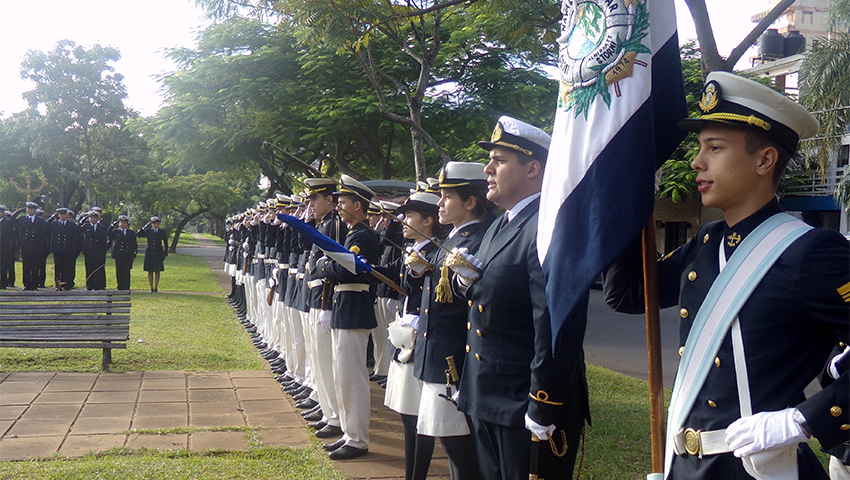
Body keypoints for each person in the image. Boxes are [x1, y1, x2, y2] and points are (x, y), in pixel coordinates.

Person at [603, 72, 849, 479]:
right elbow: (628, 294)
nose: (697, 162)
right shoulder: (707, 242)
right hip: (685, 465)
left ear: (765, 160)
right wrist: (631, 204)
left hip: (760, 468)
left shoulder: (811, 253)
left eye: (715, 148)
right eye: (700, 148)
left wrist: (802, 420)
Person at [448, 116, 591, 480]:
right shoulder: (500, 223)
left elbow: (557, 324)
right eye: (491, 159)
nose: (488, 168)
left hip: (522, 402)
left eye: (500, 160)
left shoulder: (550, 226)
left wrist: (544, 403)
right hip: (488, 395)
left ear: (533, 168)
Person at [414, 161, 493, 480]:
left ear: (470, 202)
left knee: (461, 448)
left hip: (454, 362)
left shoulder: (477, 242)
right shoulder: (450, 240)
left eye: (447, 197)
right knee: (452, 443)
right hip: (438, 357)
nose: (440, 203)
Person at [316, 174, 380, 460]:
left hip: (354, 308)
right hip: (346, 307)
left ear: (357, 205)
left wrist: (324, 266)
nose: (338, 207)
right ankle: (349, 432)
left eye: (342, 202)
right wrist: (329, 265)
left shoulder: (362, 235)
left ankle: (357, 438)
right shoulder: (353, 233)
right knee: (343, 375)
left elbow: (345, 269)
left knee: (352, 378)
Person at [381, 191, 442, 480]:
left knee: (418, 418)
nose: (404, 221)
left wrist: (419, 271)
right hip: (405, 336)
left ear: (428, 221)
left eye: (411, 216)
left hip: (420, 339)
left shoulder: (435, 253)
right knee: (408, 416)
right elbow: (390, 272)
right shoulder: (414, 251)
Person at [15, 202, 47, 290]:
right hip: (25, 247)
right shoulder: (22, 219)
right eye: (28, 209)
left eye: (32, 209)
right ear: (26, 209)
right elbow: (11, 221)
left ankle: (34, 285)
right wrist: (18, 211)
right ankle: (26, 284)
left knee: (35, 267)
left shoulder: (40, 221)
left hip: (36, 247)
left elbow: (43, 235)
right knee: (26, 267)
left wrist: (42, 247)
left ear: (35, 210)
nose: (30, 210)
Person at [79, 209, 111, 290]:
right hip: (88, 251)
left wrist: (103, 250)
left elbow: (104, 240)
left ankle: (97, 285)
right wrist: (82, 218)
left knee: (97, 269)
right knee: (89, 268)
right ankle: (89, 285)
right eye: (91, 217)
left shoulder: (102, 228)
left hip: (98, 251)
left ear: (97, 219)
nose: (93, 219)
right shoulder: (86, 226)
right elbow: (77, 230)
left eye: (94, 218)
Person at [48, 208, 79, 290]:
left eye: (64, 214)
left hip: (67, 249)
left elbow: (75, 237)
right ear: (59, 215)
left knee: (66, 267)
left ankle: (66, 284)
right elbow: (46, 225)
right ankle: (58, 284)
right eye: (61, 214)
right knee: (58, 267)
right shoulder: (54, 224)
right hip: (57, 249)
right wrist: (52, 217)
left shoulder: (72, 225)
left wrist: (74, 249)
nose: (62, 216)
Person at [137, 216, 168, 292]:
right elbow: (138, 234)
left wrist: (165, 253)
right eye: (153, 223)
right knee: (150, 270)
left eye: (156, 223)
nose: (155, 225)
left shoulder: (162, 232)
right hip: (150, 252)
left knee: (157, 270)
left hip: (158, 252)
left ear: (159, 224)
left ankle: (156, 287)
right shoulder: (148, 231)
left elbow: (166, 244)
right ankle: (151, 287)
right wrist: (144, 227)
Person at [109, 215, 138, 291]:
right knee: (119, 271)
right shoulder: (116, 232)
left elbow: (134, 244)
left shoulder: (131, 233)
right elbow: (107, 233)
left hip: (127, 254)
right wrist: (112, 225)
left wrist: (134, 254)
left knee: (126, 271)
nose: (122, 224)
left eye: (124, 223)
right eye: (121, 222)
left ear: (127, 224)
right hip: (119, 254)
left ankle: (126, 286)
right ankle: (120, 285)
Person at [0, 207, 17, 289]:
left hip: (4, 248)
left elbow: (11, 236)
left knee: (3, 266)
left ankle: (3, 283)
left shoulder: (7, 222)